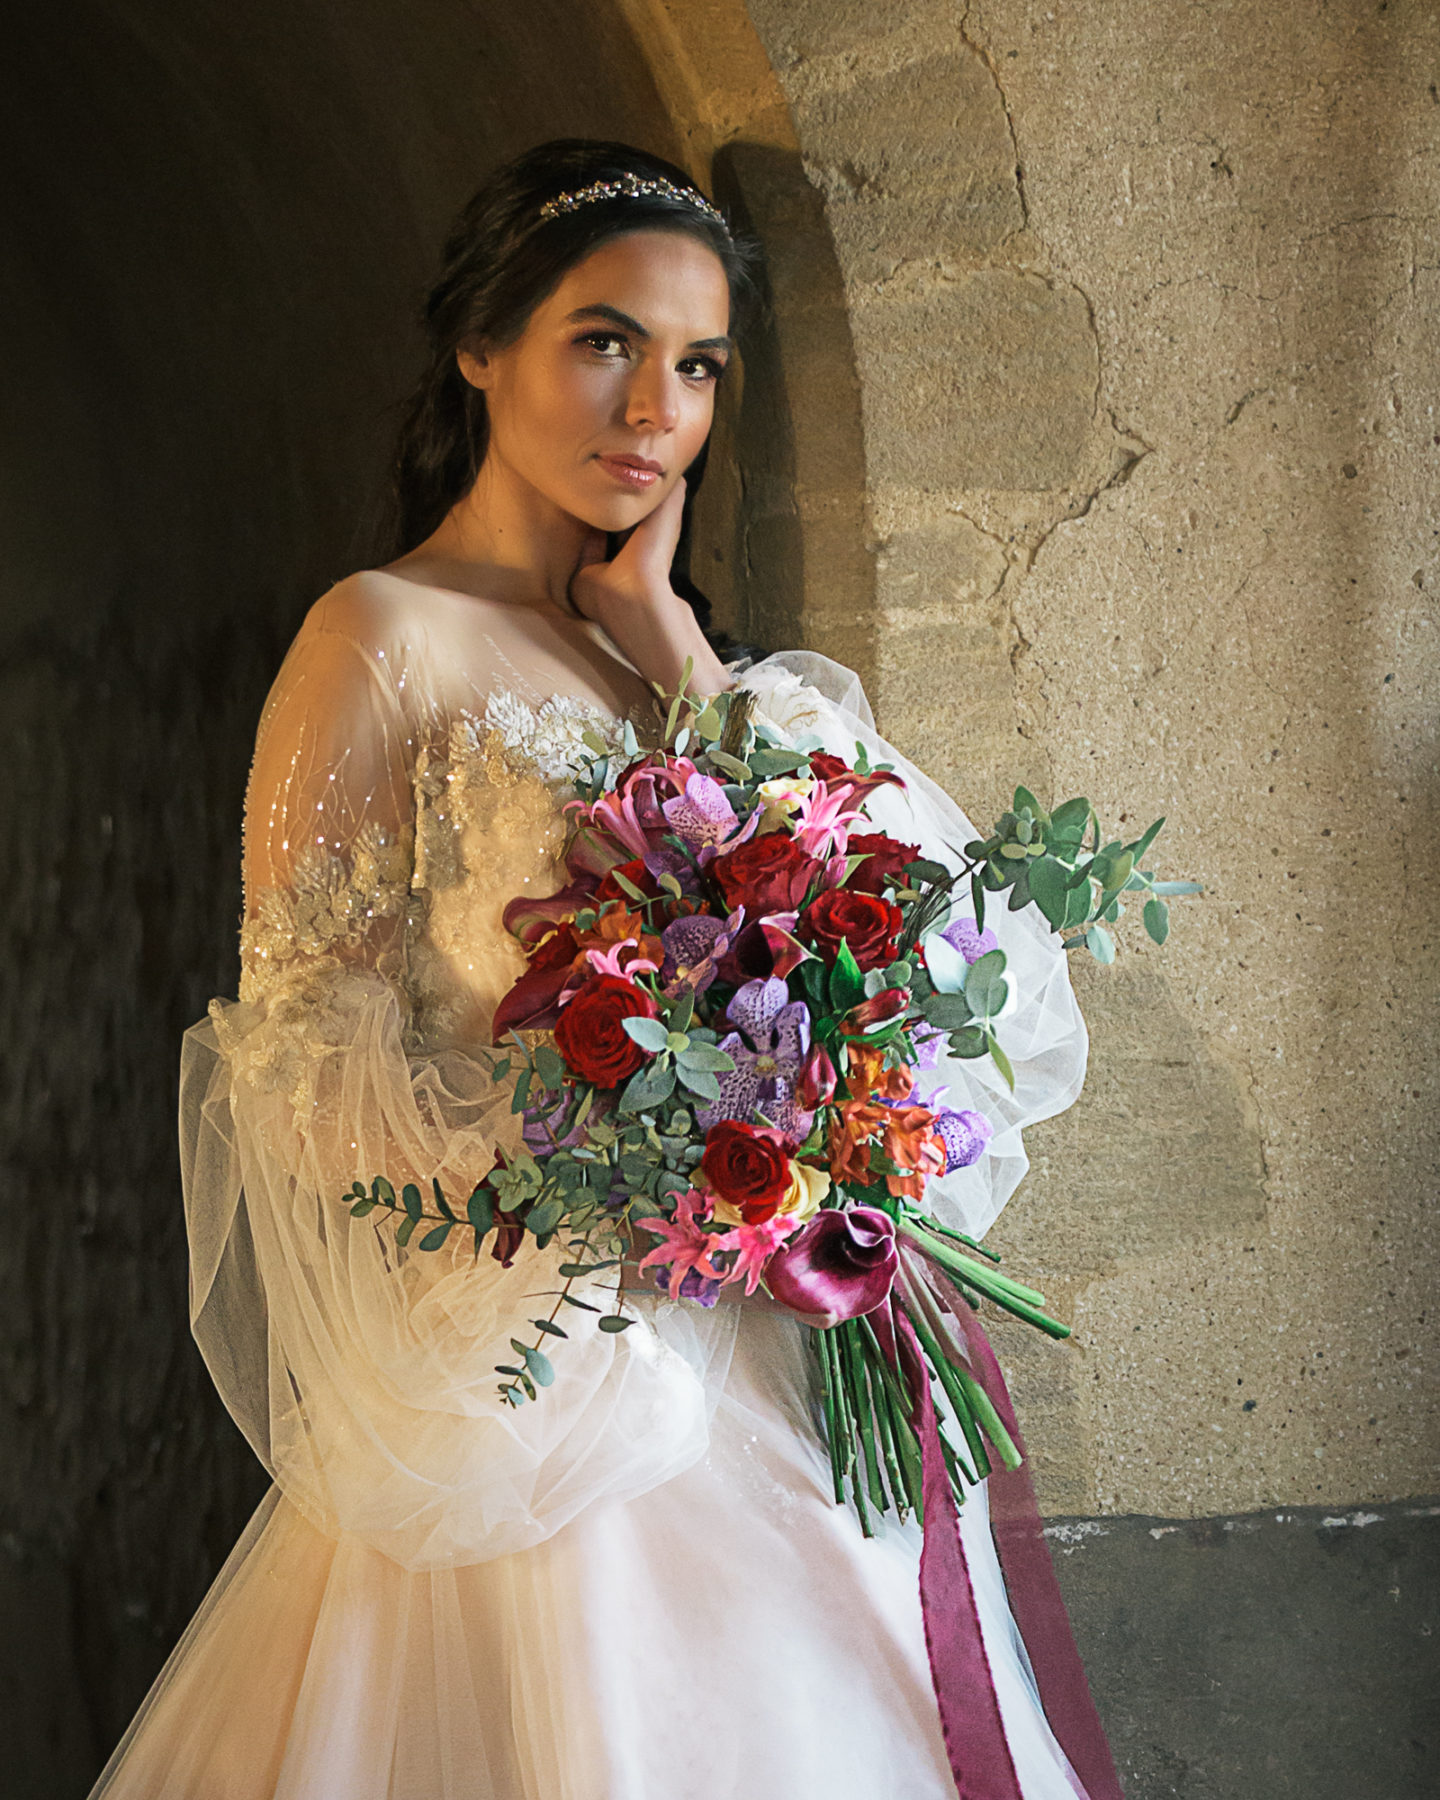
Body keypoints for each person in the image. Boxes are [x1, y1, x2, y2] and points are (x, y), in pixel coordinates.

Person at [90, 140, 1113, 1800]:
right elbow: (306, 1058)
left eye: (698, 365)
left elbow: (872, 906)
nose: (655, 407)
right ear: (481, 349)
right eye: (604, 341)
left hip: (765, 1351)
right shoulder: (377, 635)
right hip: (547, 1366)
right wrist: (600, 1207)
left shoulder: (662, 644)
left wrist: (679, 653)